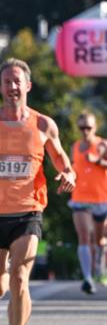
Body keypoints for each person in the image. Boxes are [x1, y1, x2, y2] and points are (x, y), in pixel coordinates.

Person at [0, 58, 76, 325]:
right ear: (0, 86)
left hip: (28, 210)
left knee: (20, 279)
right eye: (7, 82)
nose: (12, 87)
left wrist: (69, 174)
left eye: (17, 81)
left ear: (27, 85)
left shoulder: (43, 124)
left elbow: (60, 158)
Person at [68, 112, 107, 294]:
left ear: (95, 128)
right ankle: (87, 278)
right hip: (80, 198)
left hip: (101, 199)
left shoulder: (102, 144)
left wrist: (98, 161)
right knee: (84, 236)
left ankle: (99, 266)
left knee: (98, 240)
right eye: (82, 128)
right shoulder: (75, 146)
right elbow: (72, 168)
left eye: (88, 128)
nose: (85, 131)